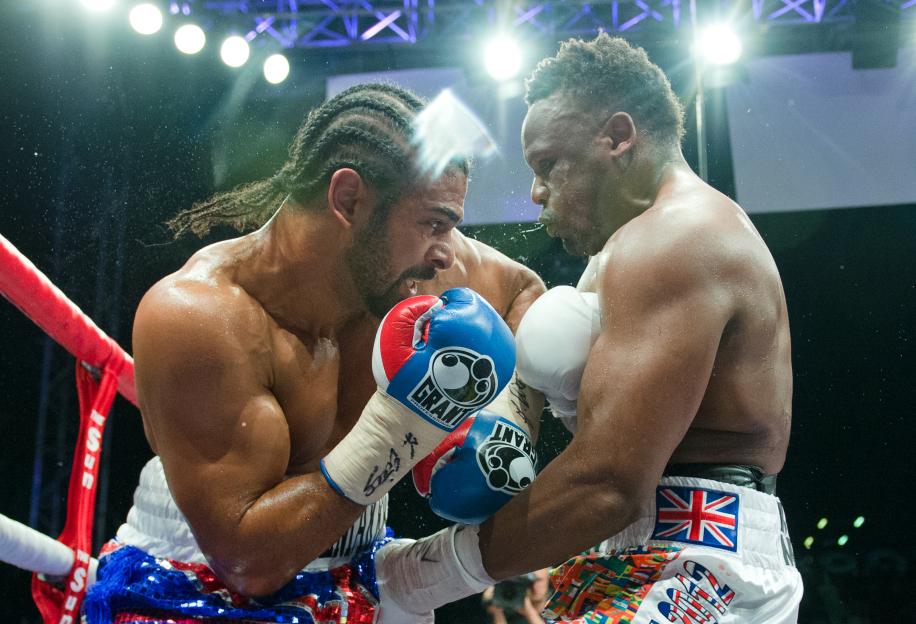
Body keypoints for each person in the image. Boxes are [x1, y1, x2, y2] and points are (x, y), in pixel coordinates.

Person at [374, 33, 804, 623]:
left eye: (549, 164)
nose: (536, 191)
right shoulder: (637, 247)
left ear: (618, 137)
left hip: (695, 558)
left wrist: (417, 574)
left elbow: (607, 482)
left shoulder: (678, 236)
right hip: (648, 545)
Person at [82, 82, 545, 623]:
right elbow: (247, 564)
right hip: (197, 577)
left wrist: (505, 419)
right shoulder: (202, 317)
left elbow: (524, 290)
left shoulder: (415, 272)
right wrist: (406, 425)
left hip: (359, 560)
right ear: (348, 200)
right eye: (433, 223)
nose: (446, 253)